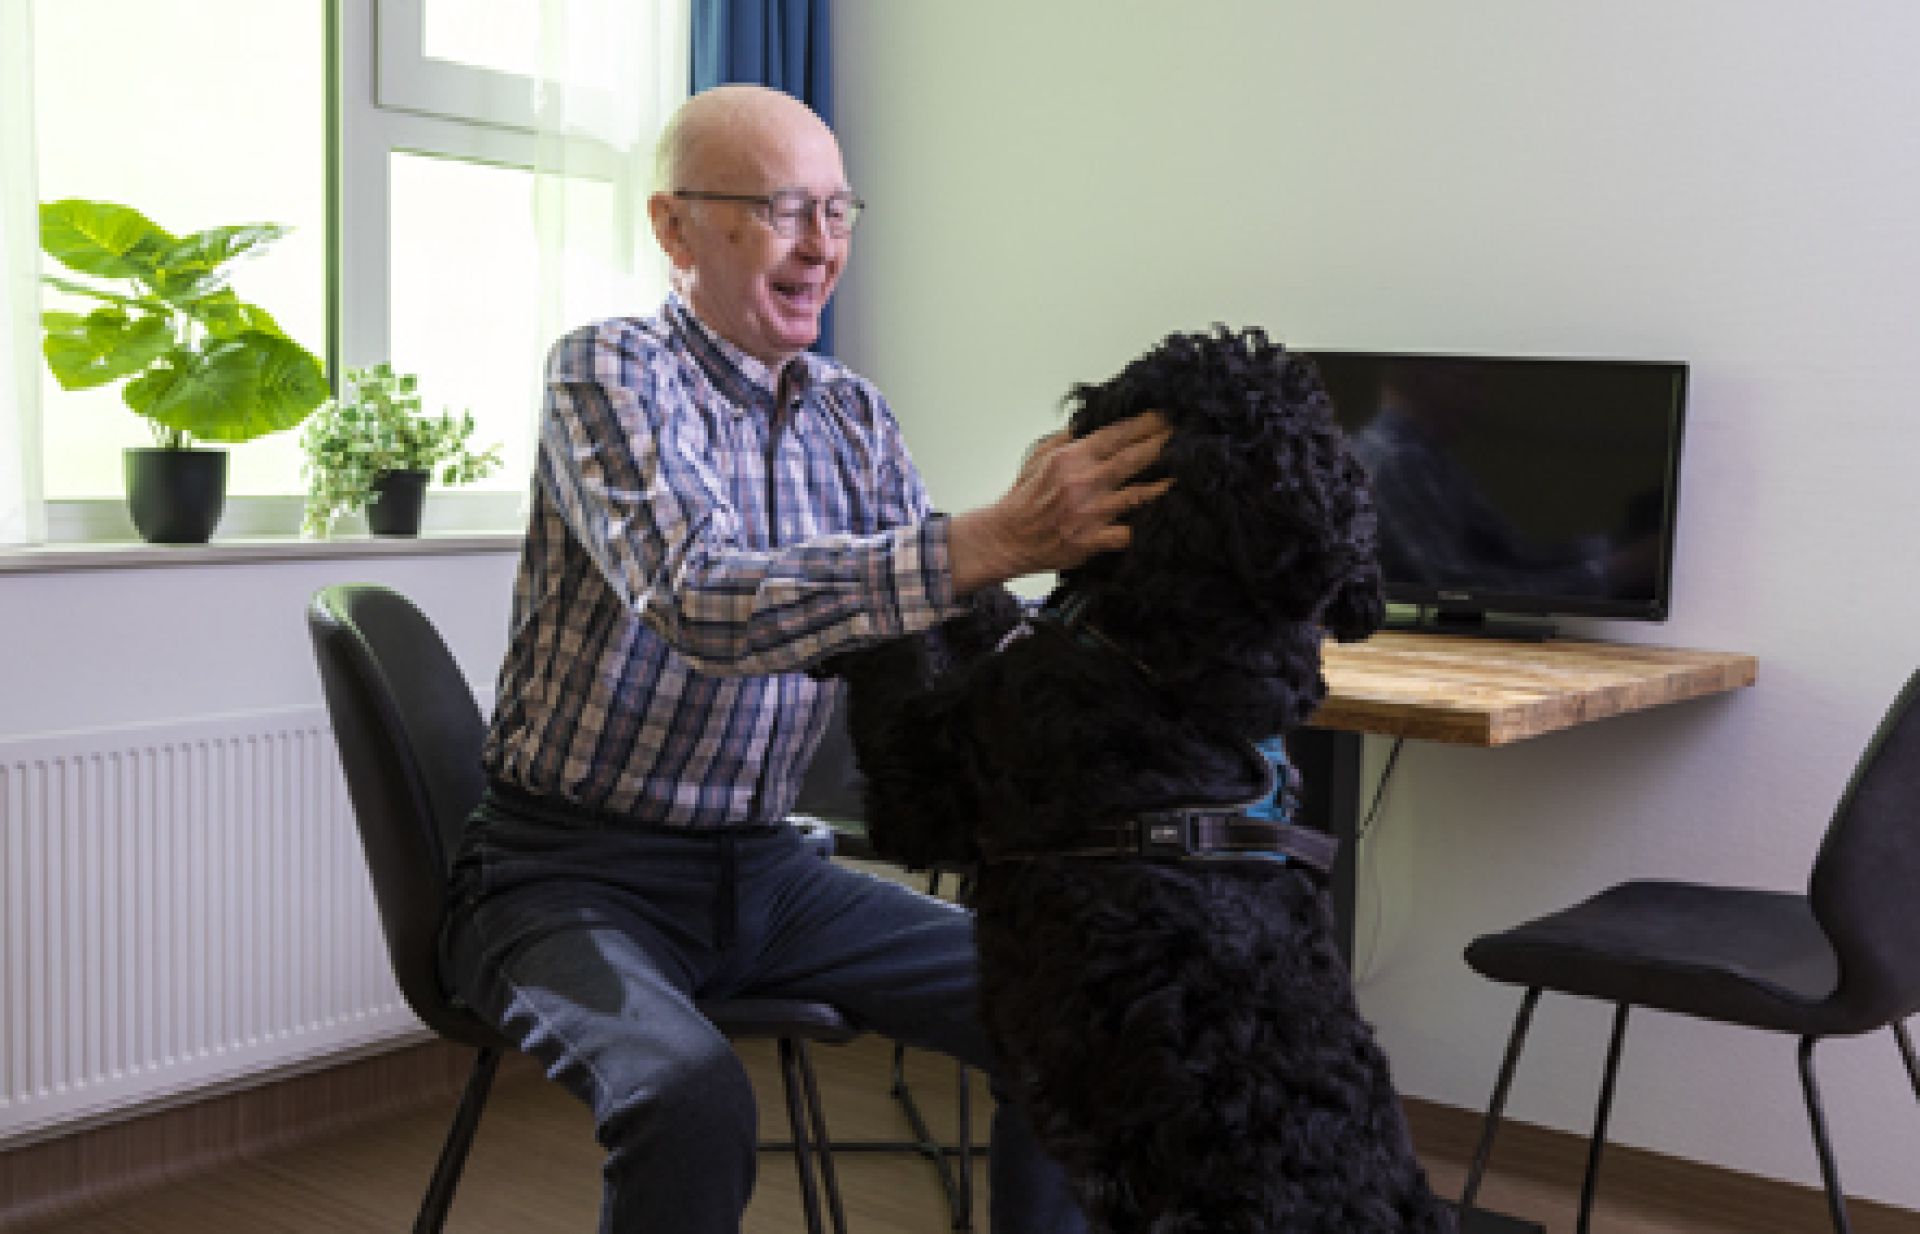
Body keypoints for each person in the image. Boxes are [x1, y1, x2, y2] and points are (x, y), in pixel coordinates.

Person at [438, 83, 1171, 1234]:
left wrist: (1141, 663)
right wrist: (999, 533)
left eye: (837, 211)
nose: (821, 246)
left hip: (767, 872)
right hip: (566, 875)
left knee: (1079, 1005)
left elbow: (960, 630)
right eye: (783, 209)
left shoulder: (853, 417)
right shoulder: (610, 372)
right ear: (674, 228)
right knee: (686, 1097)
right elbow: (697, 598)